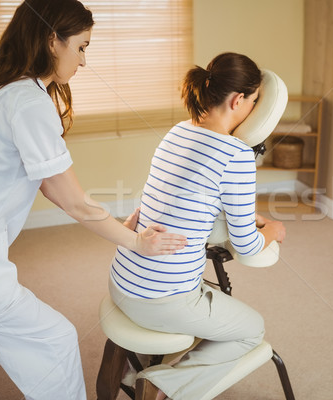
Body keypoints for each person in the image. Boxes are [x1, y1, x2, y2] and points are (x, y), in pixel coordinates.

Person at [0, 1, 186, 399]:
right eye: (80, 47)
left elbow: (50, 186)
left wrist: (115, 223)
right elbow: (70, 200)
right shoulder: (28, 101)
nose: (83, 61)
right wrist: (135, 241)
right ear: (52, 40)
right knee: (56, 342)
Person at [108, 52, 287, 400]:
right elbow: (248, 246)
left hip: (121, 280)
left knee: (217, 310)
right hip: (161, 300)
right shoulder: (235, 154)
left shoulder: (179, 131)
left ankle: (128, 369)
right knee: (252, 330)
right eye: (253, 102)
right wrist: (273, 230)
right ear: (238, 100)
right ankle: (161, 385)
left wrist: (248, 216)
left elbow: (193, 197)